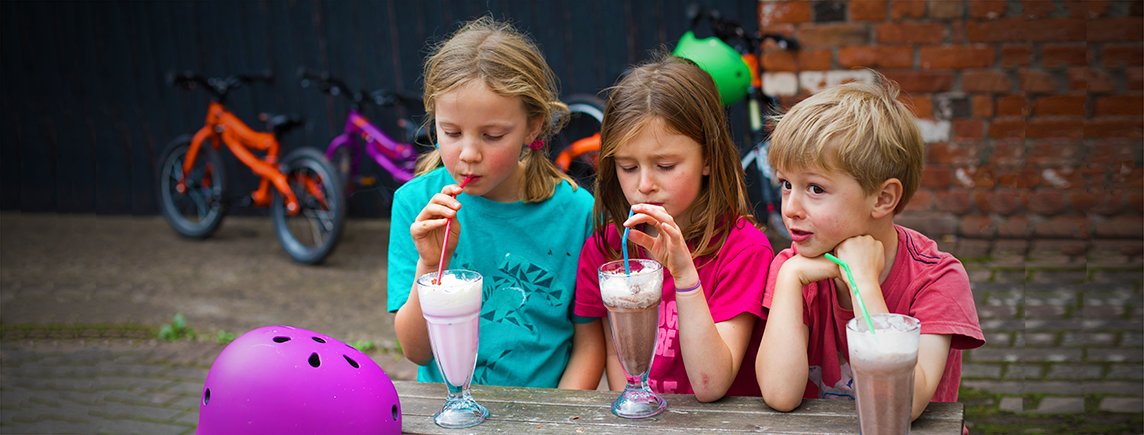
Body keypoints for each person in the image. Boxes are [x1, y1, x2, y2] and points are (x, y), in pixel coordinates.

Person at [754, 79, 985, 424]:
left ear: (882, 199)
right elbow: (779, 394)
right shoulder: (793, 267)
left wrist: (863, 282)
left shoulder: (936, 279)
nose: (791, 208)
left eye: (815, 188)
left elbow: (901, 405)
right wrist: (789, 278)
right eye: (787, 184)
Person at [387, 17, 594, 388]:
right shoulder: (414, 204)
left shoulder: (577, 213)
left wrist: (556, 422)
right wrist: (431, 264)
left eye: (493, 135)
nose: (468, 154)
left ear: (533, 127)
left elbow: (589, 346)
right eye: (450, 132)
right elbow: (416, 351)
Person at [562, 55, 773, 402]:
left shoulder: (744, 251)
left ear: (708, 158)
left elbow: (711, 385)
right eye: (628, 167)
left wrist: (686, 277)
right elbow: (617, 358)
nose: (644, 184)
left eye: (665, 165)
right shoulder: (606, 250)